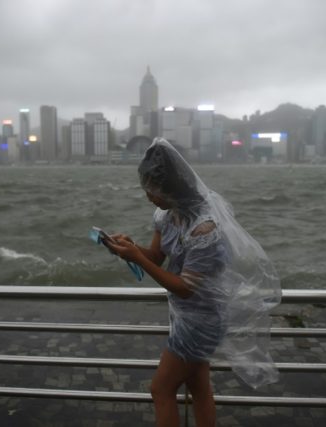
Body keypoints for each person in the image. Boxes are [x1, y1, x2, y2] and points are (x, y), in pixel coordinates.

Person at [107, 138, 280, 427]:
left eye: (153, 189)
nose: (149, 196)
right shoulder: (167, 215)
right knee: (199, 388)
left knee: (160, 389)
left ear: (173, 187)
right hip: (185, 316)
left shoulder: (205, 228)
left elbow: (186, 287)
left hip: (203, 320)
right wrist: (130, 247)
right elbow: (156, 257)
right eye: (146, 188)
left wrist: (137, 257)